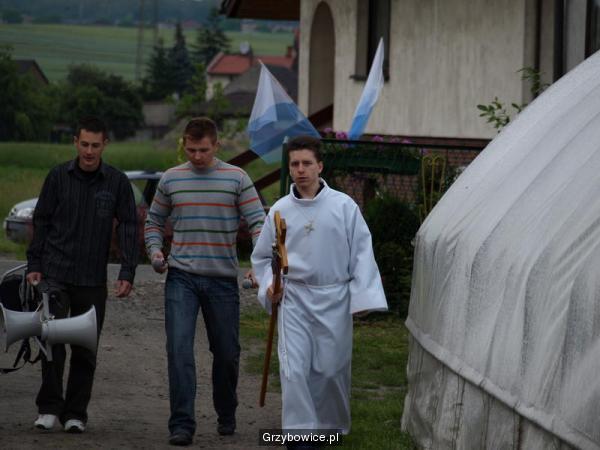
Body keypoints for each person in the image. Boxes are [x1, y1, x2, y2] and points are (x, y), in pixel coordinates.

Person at [251, 136, 387, 445]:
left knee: (330, 370)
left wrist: (361, 297)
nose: (300, 170)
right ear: (290, 168)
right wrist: (270, 286)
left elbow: (362, 252)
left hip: (333, 298)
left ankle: (328, 429)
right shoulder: (280, 210)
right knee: (294, 369)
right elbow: (262, 258)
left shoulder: (344, 206)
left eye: (306, 163)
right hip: (294, 298)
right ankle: (299, 435)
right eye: (295, 164)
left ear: (320, 166)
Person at [145, 117, 265, 446]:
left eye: (203, 150)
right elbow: (154, 221)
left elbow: (259, 223)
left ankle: (226, 411)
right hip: (181, 277)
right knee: (179, 349)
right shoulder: (171, 179)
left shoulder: (237, 178)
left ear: (216, 146)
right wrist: (155, 251)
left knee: (226, 353)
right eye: (191, 150)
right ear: (183, 145)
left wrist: (258, 263)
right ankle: (182, 423)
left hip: (222, 278)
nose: (197, 156)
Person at [26, 116, 138, 433]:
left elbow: (129, 225)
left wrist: (127, 270)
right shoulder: (57, 177)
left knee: (85, 348)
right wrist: (34, 264)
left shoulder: (117, 182)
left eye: (95, 145)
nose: (89, 151)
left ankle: (75, 413)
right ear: (75, 142)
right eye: (84, 144)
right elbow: (41, 220)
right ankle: (49, 407)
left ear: (105, 145)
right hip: (55, 273)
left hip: (92, 279)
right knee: (51, 341)